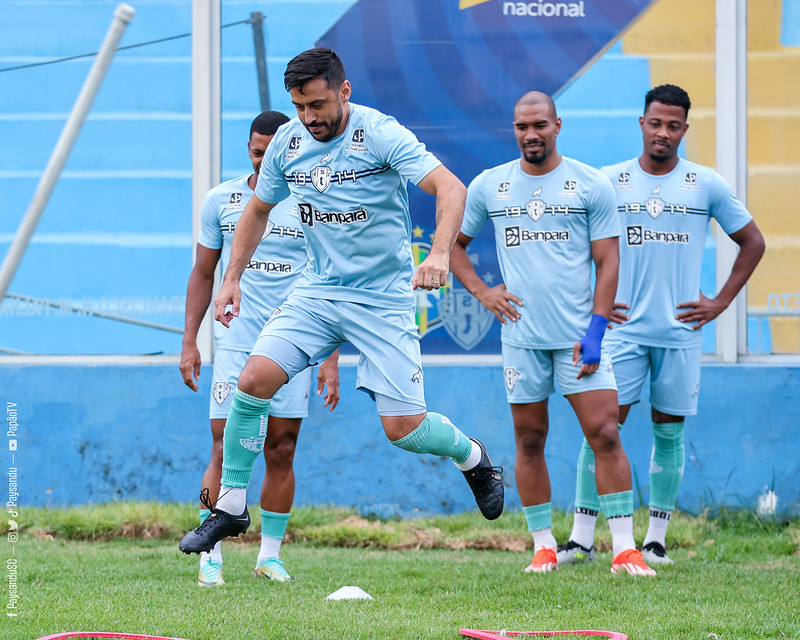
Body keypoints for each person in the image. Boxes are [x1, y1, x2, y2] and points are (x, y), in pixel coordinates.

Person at [178, 47, 504, 559]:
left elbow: (450, 187)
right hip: (320, 290)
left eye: (318, 105)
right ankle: (232, 506)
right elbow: (257, 212)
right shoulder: (287, 142)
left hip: (382, 297)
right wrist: (230, 280)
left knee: (404, 430)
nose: (309, 118)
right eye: (300, 107)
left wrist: (439, 252)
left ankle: (474, 457)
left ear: (344, 91)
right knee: (252, 380)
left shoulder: (378, 132)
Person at [557, 84, 765, 567]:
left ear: (684, 130)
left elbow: (752, 241)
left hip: (679, 335)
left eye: (674, 125)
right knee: (602, 430)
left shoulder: (705, 183)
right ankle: (583, 538)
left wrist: (719, 301)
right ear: (642, 124)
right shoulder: (609, 181)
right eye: (656, 123)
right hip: (621, 333)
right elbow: (571, 246)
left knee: (668, 436)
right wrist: (592, 307)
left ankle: (655, 541)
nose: (663, 133)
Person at [450, 91, 655, 576]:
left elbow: (608, 261)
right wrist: (484, 293)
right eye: (522, 126)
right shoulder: (490, 185)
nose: (531, 134)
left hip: (579, 339)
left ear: (557, 125)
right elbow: (454, 246)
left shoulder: (590, 183)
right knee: (528, 439)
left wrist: (597, 331)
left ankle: (624, 548)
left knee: (605, 433)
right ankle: (543, 546)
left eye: (539, 125)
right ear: (514, 129)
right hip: (522, 340)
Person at [180, 110, 341, 586]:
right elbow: (203, 273)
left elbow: (332, 280)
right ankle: (211, 552)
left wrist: (329, 357)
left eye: (273, 150)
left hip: (294, 344)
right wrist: (189, 341)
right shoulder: (222, 200)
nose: (264, 156)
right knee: (223, 442)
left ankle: (269, 555)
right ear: (249, 149)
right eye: (257, 150)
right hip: (234, 344)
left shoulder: (314, 202)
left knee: (282, 448)